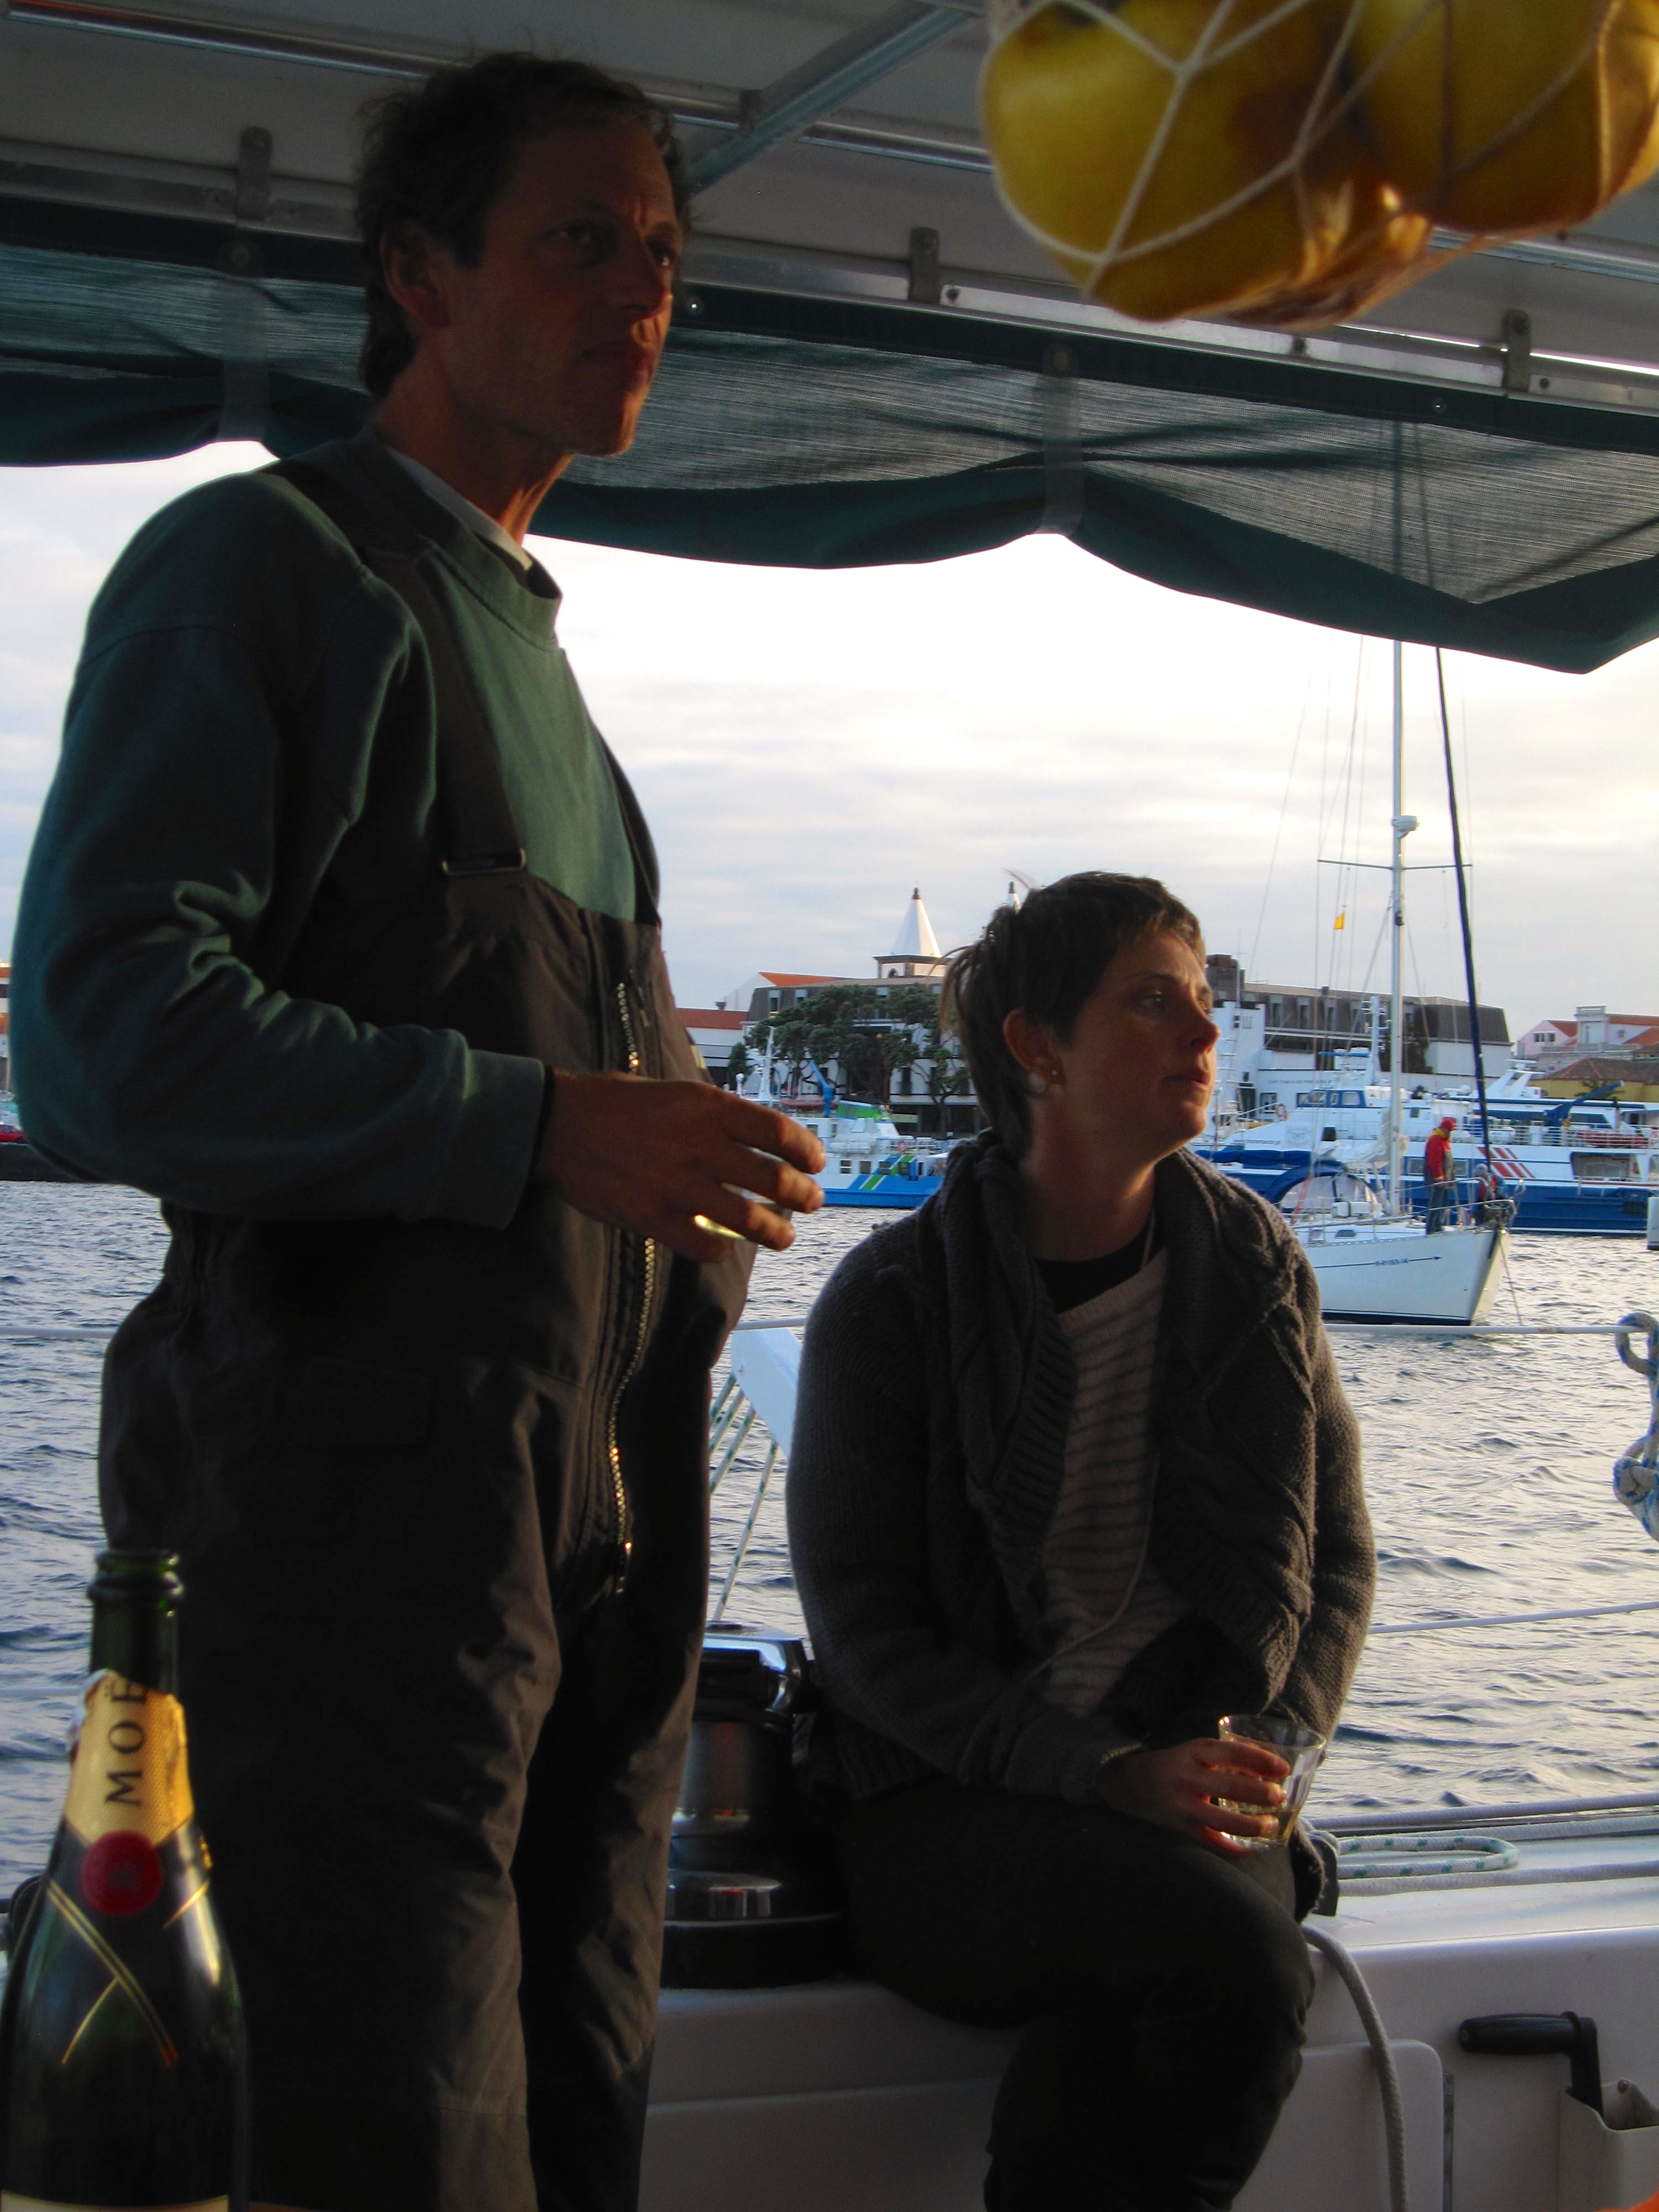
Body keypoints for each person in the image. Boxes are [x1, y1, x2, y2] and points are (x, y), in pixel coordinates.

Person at [11, 54, 824, 2212]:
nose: (641, 293)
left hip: (583, 1576)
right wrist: (540, 1121)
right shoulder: (263, 570)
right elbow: (99, 1036)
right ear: (418, 275)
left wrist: (694, 1188)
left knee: (571, 2116)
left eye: (665, 256)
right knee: (382, 2143)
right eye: (581, 240)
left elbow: (592, 1127)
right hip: (345, 1575)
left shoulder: (553, 687)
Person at [787, 872, 1374, 2212]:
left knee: (1159, 1990)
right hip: (942, 1801)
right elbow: (867, 1636)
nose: (1205, 1031)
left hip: (1193, 1770)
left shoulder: (1257, 1271)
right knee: (1230, 1958)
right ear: (1035, 1046)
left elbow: (1334, 1559)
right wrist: (1104, 1774)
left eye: (1203, 998)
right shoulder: (895, 1299)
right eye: (1153, 1001)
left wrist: (1271, 1749)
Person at [1424, 1115, 1458, 1232]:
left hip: (1446, 1180)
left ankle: (1438, 1225)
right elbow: (1435, 1161)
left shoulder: (1444, 1142)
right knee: (1436, 1204)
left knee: (1443, 1203)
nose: (1449, 1133)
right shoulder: (1436, 1140)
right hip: (1438, 1180)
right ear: (1443, 1129)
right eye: (1448, 1131)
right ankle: (1432, 1227)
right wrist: (1439, 1177)